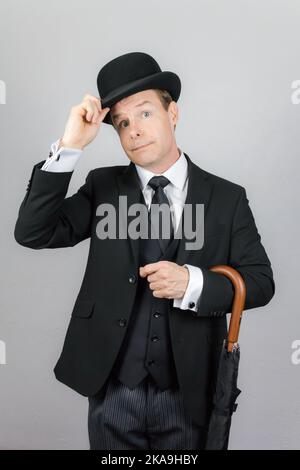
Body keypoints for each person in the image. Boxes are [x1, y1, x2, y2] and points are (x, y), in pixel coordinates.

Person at [14, 52, 275, 450]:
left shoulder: (226, 198)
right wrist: (69, 146)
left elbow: (260, 282)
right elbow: (32, 232)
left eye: (145, 113)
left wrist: (194, 282)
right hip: (113, 387)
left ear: (173, 113)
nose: (133, 130)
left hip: (188, 390)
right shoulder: (102, 187)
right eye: (121, 123)